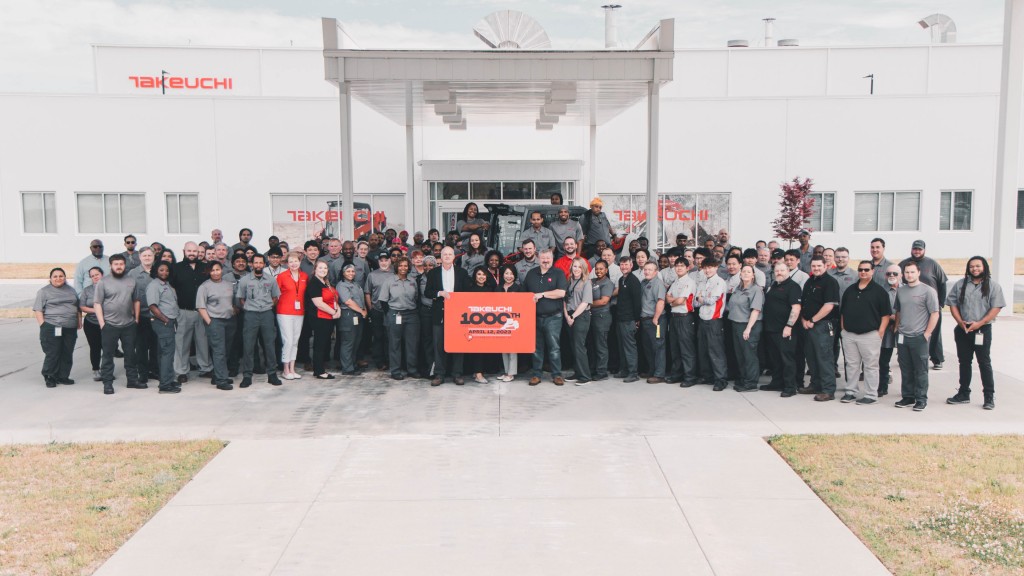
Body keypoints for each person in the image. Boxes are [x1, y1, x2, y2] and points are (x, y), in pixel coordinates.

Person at [946, 256, 1006, 410]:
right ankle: (963, 393)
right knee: (964, 362)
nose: (975, 269)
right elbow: (952, 304)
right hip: (963, 330)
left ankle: (989, 397)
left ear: (984, 267)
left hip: (982, 330)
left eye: (978, 266)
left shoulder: (993, 286)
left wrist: (979, 323)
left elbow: (996, 308)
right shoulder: (960, 284)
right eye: (971, 266)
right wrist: (960, 322)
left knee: (984, 363)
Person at [838, 260, 891, 405]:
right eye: (861, 269)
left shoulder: (879, 292)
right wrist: (843, 330)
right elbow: (843, 312)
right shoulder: (850, 290)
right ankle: (850, 391)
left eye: (867, 269)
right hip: (849, 335)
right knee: (851, 365)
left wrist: (879, 333)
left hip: (870, 336)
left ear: (872, 271)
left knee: (870, 366)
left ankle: (871, 394)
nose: (863, 272)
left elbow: (885, 315)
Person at [893, 261, 940, 411]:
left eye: (912, 272)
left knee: (920, 370)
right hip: (902, 337)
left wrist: (926, 334)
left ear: (918, 273)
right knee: (905, 368)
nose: (909, 275)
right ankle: (908, 396)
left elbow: (935, 314)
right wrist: (897, 328)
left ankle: (921, 399)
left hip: (919, 337)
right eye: (906, 272)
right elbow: (898, 311)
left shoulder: (928, 291)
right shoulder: (901, 291)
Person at [94, 254, 141, 395]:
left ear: (124, 265)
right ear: (111, 266)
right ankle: (107, 383)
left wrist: (136, 319)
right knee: (108, 356)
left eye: (121, 264)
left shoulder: (131, 280)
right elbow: (97, 303)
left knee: (130, 355)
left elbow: (136, 300)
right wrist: (102, 323)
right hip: (110, 325)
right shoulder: (103, 282)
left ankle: (132, 380)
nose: (119, 266)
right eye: (116, 264)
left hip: (129, 324)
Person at [899, 240, 948, 370]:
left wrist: (941, 303)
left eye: (920, 249)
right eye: (915, 249)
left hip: (931, 305)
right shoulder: (904, 264)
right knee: (908, 331)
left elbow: (942, 284)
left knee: (934, 332)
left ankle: (937, 359)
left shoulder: (932, 264)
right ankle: (905, 354)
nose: (917, 251)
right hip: (912, 305)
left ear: (924, 250)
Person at [425, 246, 470, 386]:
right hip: (439, 313)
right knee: (438, 344)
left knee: (458, 344)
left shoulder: (462, 272)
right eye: (445, 254)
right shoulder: (433, 273)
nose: (447, 256)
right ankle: (439, 374)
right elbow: (427, 292)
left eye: (450, 254)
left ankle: (457, 374)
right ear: (441, 256)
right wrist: (440, 293)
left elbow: (467, 291)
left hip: (458, 314)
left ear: (453, 257)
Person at [236, 254, 282, 388]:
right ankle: (247, 376)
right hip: (251, 315)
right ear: (251, 264)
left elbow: (275, 297)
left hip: (267, 314)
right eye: (255, 263)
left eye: (260, 263)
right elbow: (241, 299)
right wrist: (250, 308)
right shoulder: (244, 280)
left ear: (264, 264)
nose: (258, 265)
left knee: (269, 345)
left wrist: (267, 306)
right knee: (248, 346)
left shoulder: (270, 280)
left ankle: (272, 375)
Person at [524, 249, 569, 386]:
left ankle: (557, 375)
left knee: (554, 347)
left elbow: (561, 293)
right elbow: (525, 294)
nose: (545, 260)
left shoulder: (558, 273)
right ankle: (537, 374)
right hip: (535, 317)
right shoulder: (531, 274)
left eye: (548, 258)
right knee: (536, 348)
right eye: (543, 258)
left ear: (552, 258)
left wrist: (541, 294)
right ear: (538, 259)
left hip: (553, 317)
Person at [799, 256, 841, 401]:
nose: (816, 268)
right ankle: (815, 385)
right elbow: (804, 303)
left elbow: (829, 306)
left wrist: (812, 320)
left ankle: (828, 390)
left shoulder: (830, 282)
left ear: (826, 266)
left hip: (823, 325)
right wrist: (804, 319)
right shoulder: (810, 281)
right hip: (808, 324)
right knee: (811, 357)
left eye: (819, 266)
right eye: (814, 266)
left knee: (824, 357)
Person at [171, 242, 212, 383]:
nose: (192, 253)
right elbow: (171, 288)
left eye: (195, 251)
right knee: (182, 342)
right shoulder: (176, 268)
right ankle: (181, 371)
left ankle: (205, 368)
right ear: (184, 251)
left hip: (202, 311)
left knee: (203, 341)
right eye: (189, 250)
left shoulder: (205, 268)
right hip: (184, 311)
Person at [760, 262, 802, 397]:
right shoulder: (773, 285)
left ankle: (790, 387)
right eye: (777, 270)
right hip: (771, 329)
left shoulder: (793, 287)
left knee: (787, 359)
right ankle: (777, 382)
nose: (779, 273)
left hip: (785, 329)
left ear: (788, 271)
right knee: (775, 359)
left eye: (782, 270)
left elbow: (796, 308)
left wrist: (789, 326)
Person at [34, 267, 80, 388]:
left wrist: (79, 321)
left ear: (65, 277)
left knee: (67, 352)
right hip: (51, 326)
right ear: (50, 278)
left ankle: (63, 376)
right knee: (53, 352)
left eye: (61, 276)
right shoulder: (44, 291)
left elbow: (77, 307)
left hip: (70, 327)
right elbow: (38, 309)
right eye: (55, 276)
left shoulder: (71, 290)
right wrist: (43, 325)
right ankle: (49, 376)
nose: (58, 278)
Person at [196, 261, 238, 391]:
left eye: (218, 269)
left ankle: (218, 374)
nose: (215, 272)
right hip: (215, 321)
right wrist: (210, 321)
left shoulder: (228, 285)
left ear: (222, 270)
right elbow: (201, 307)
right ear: (209, 272)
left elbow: (233, 301)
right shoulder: (204, 287)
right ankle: (221, 380)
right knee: (219, 350)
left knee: (226, 350)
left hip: (230, 320)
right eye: (212, 270)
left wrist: (234, 311)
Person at [381, 256, 421, 380]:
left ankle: (412, 369)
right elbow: (383, 301)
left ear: (408, 267)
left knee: (412, 343)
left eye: (405, 265)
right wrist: (391, 313)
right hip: (395, 313)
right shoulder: (389, 281)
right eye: (400, 265)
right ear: (396, 267)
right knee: (395, 343)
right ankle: (395, 371)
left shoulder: (413, 281)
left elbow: (417, 298)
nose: (403, 268)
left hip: (411, 315)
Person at [146, 262, 181, 394]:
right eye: (161, 270)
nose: (164, 272)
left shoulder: (167, 284)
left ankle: (168, 379)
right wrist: (165, 320)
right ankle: (165, 385)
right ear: (156, 271)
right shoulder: (154, 285)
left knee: (166, 353)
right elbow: (153, 306)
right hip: (162, 322)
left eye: (167, 270)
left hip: (171, 320)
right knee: (167, 352)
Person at [728, 264, 763, 392]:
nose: (746, 273)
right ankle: (744, 378)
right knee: (740, 354)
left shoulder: (756, 290)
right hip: (736, 324)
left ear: (753, 275)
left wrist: (748, 329)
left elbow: (756, 310)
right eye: (744, 271)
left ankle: (751, 382)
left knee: (749, 355)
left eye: (749, 272)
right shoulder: (738, 288)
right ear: (740, 274)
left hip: (749, 325)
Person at [694, 259, 727, 390]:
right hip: (702, 318)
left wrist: (702, 299)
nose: (707, 270)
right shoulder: (702, 282)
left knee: (716, 351)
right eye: (705, 268)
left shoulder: (720, 282)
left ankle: (721, 379)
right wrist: (702, 299)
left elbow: (711, 300)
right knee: (703, 349)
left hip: (714, 319)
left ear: (716, 267)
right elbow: (696, 302)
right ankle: (707, 376)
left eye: (710, 267)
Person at [306, 260, 340, 379]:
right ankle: (319, 371)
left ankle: (319, 369)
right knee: (319, 345)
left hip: (328, 317)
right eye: (320, 268)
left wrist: (338, 310)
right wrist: (334, 312)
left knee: (324, 344)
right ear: (315, 269)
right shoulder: (314, 283)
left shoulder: (325, 282)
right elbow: (319, 303)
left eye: (325, 268)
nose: (323, 270)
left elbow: (334, 299)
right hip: (320, 318)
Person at [276, 252, 307, 380]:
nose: (294, 264)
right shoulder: (282, 276)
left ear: (300, 262)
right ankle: (285, 369)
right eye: (291, 261)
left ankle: (293, 369)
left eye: (296, 261)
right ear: (287, 264)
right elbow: (276, 294)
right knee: (287, 340)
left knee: (295, 340)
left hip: (299, 312)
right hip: (284, 311)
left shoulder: (304, 276)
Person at [666, 258, 697, 385]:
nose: (678, 268)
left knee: (686, 348)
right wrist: (674, 301)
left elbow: (680, 301)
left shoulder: (689, 282)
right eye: (677, 266)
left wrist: (673, 301)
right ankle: (676, 374)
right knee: (675, 347)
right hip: (674, 317)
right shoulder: (675, 282)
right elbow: (667, 298)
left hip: (685, 317)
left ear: (687, 268)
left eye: (682, 266)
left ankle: (690, 377)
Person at [563, 258, 593, 385]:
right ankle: (578, 372)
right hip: (569, 315)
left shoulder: (586, 282)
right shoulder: (569, 281)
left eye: (579, 267)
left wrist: (573, 317)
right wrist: (566, 316)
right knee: (573, 346)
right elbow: (564, 300)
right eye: (574, 266)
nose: (576, 269)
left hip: (580, 315)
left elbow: (585, 302)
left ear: (583, 269)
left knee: (579, 346)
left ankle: (585, 377)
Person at [131, 247, 157, 383]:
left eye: (149, 255)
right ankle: (142, 373)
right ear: (140, 257)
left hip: (158, 315)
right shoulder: (133, 274)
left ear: (154, 256)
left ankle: (154, 370)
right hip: (141, 315)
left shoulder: (159, 271)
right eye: (144, 255)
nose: (147, 258)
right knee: (141, 347)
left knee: (155, 345)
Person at [615, 256, 642, 383]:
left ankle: (633, 373)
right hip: (620, 317)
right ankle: (624, 370)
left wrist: (636, 319)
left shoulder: (633, 280)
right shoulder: (621, 279)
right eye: (622, 264)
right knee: (621, 346)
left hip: (629, 319)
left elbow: (637, 302)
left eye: (626, 264)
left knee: (629, 346)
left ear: (631, 265)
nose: (624, 267)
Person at [464, 267, 494, 383]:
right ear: (475, 276)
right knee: (477, 349)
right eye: (479, 274)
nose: (481, 277)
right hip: (473, 323)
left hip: (486, 323)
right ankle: (478, 374)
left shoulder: (490, 289)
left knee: (484, 349)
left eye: (483, 274)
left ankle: (478, 371)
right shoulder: (469, 289)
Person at [336, 264, 367, 376]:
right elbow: (348, 301)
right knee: (348, 342)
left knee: (356, 342)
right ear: (343, 273)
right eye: (348, 271)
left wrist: (363, 310)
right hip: (348, 315)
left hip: (357, 315)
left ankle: (352, 365)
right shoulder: (342, 285)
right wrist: (362, 311)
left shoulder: (355, 284)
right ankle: (347, 368)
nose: (351, 273)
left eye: (353, 271)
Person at [365, 251, 393, 371]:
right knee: (378, 337)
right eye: (381, 260)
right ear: (378, 262)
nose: (383, 262)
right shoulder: (372, 275)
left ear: (390, 261)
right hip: (377, 310)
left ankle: (390, 360)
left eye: (386, 260)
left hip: (391, 310)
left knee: (390, 337)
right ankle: (379, 361)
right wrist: (370, 307)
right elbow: (367, 292)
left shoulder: (394, 273)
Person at [588, 260, 615, 381]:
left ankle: (602, 371)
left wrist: (586, 304)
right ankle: (593, 369)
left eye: (601, 269)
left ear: (606, 270)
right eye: (597, 269)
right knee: (592, 344)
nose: (598, 271)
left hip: (602, 317)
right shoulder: (592, 281)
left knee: (601, 345)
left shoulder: (607, 283)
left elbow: (604, 301)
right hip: (591, 317)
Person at [878, 264, 901, 397]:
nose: (892, 276)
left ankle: (909, 390)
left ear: (901, 275)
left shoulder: (906, 289)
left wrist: (897, 319)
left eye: (895, 274)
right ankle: (882, 387)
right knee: (883, 361)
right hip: (886, 330)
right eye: (889, 273)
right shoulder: (881, 291)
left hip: (903, 330)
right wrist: (891, 318)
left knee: (905, 362)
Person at [79, 267, 105, 381]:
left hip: (107, 322)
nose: (95, 277)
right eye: (92, 275)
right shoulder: (87, 290)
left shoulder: (108, 288)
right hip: (91, 323)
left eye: (97, 274)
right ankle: (96, 370)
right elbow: (82, 306)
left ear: (102, 274)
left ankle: (107, 370)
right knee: (95, 347)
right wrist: (97, 311)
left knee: (108, 347)